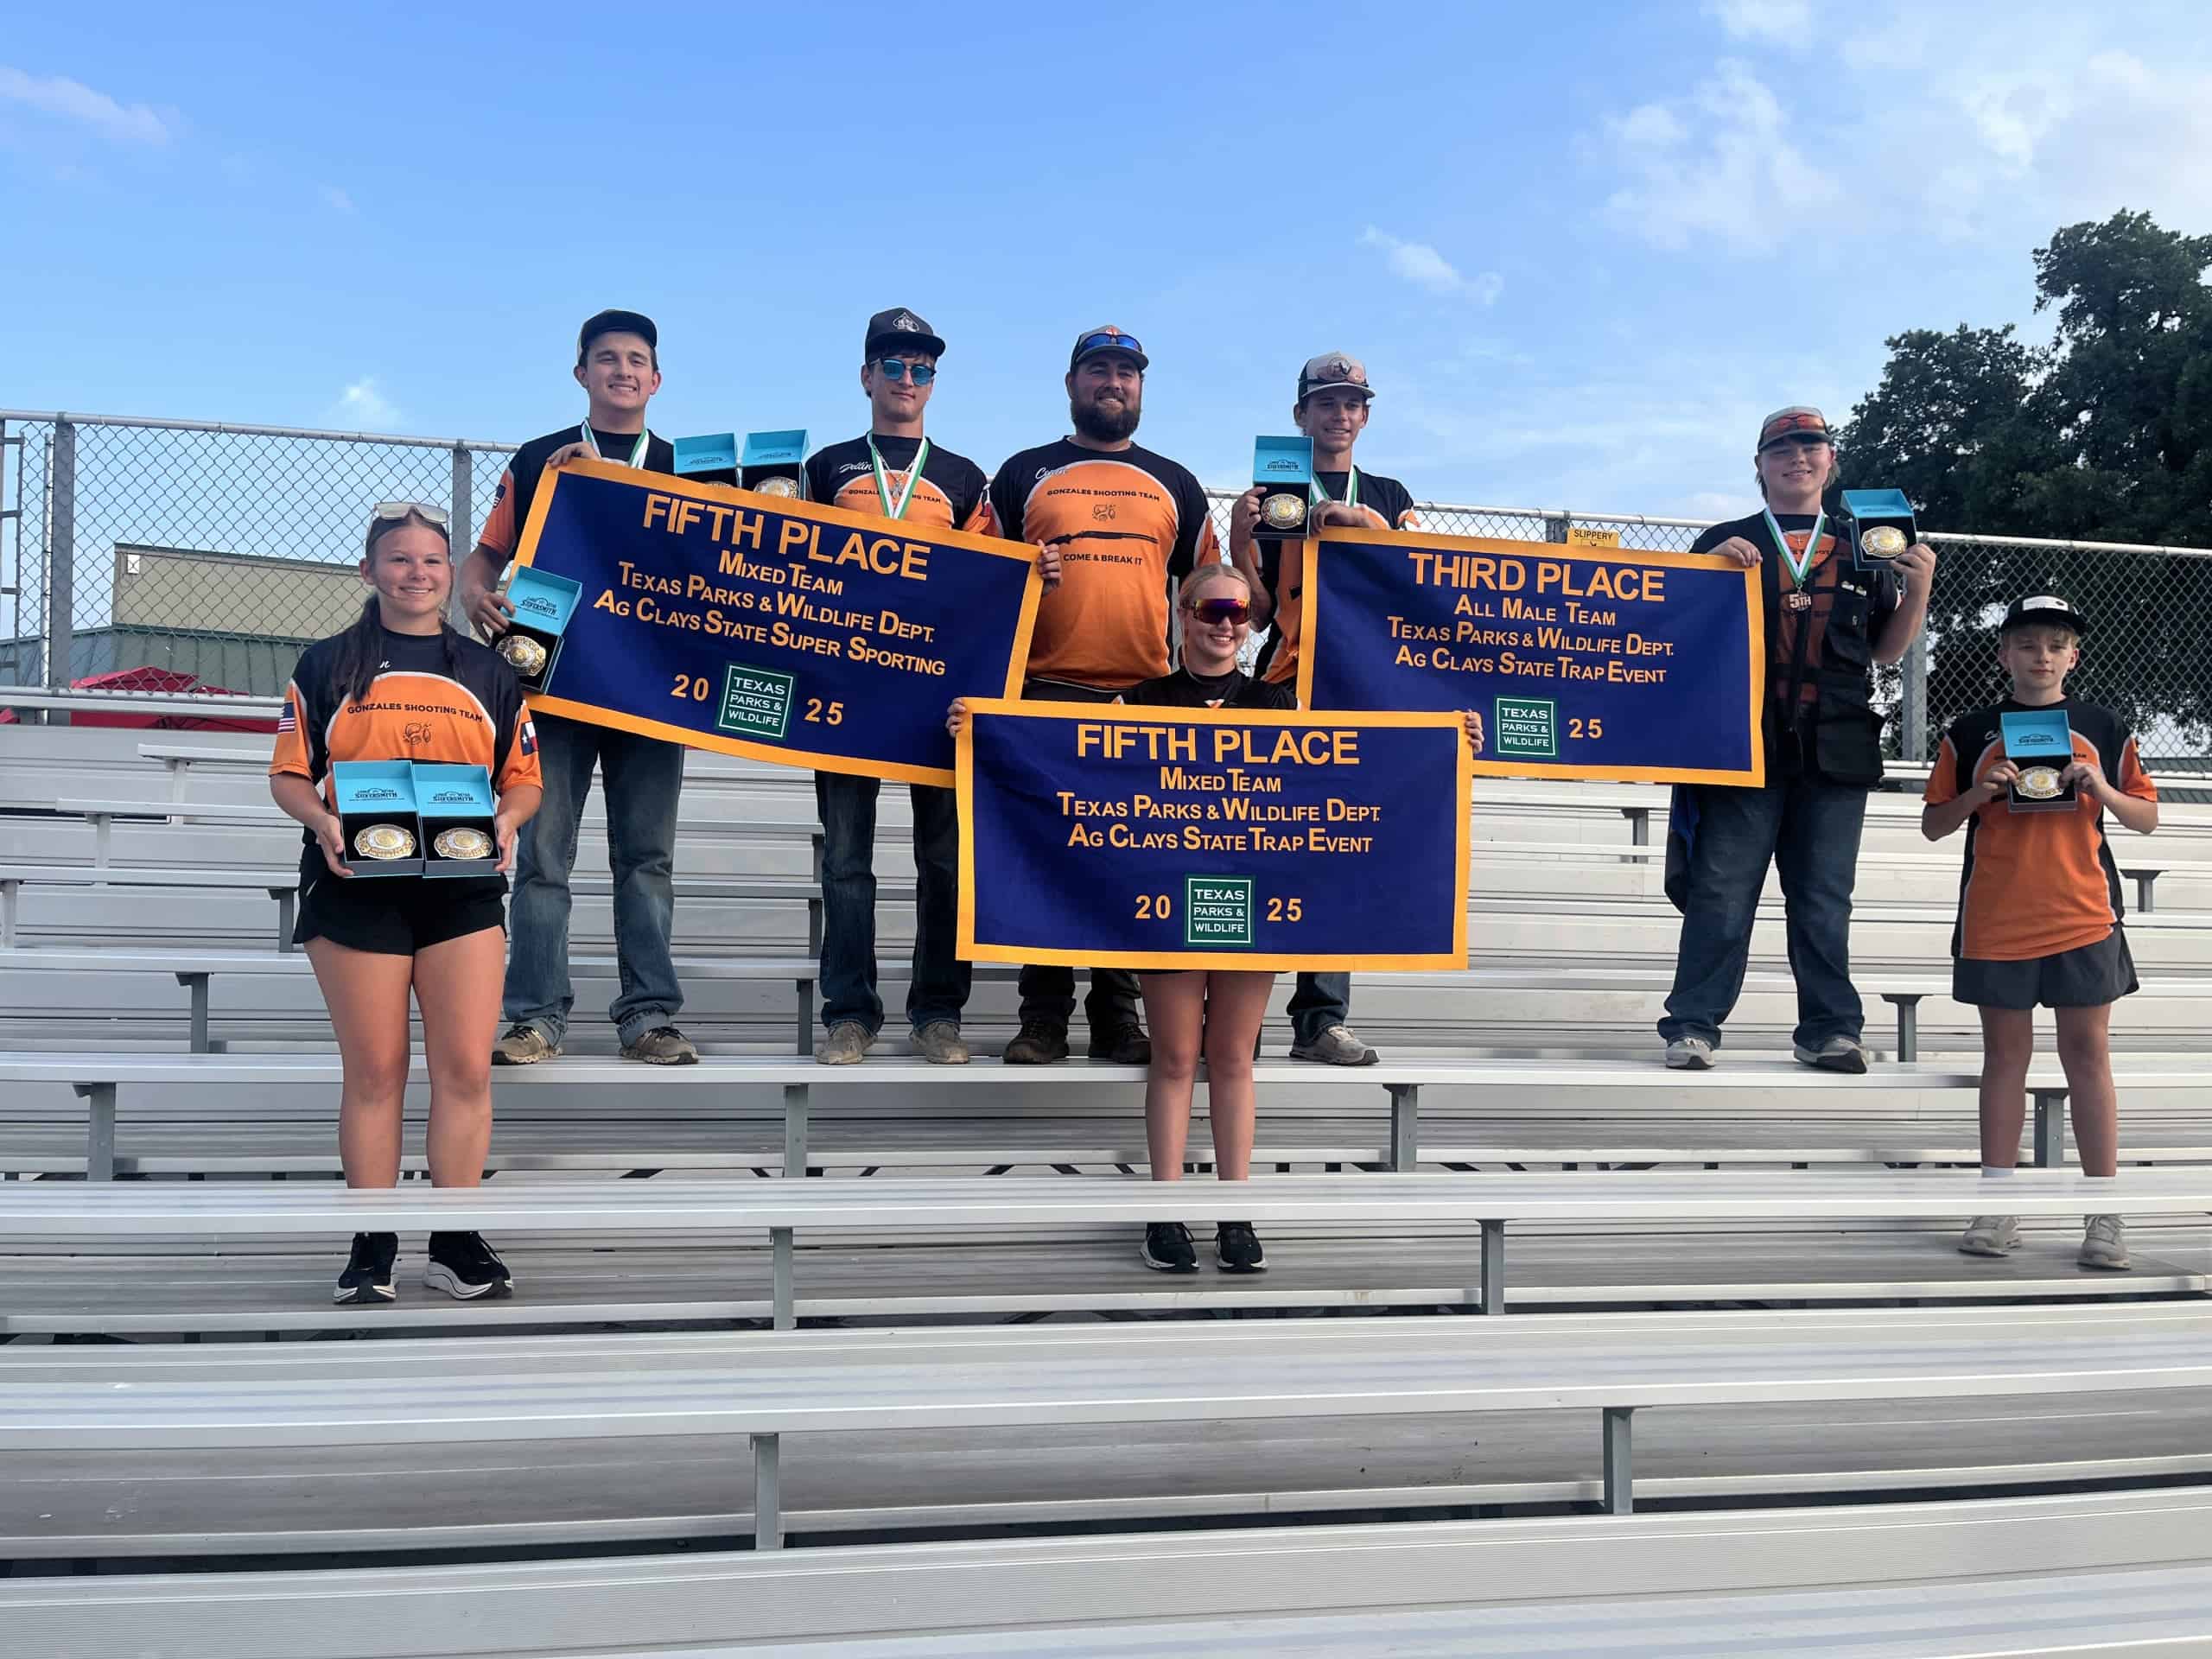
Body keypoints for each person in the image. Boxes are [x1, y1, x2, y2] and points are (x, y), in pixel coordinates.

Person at [950, 563, 1483, 1274]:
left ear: (1251, 622)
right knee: (1174, 1058)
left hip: (1253, 904)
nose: (1225, 624)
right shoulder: (1137, 700)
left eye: (1237, 612)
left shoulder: (1279, 703)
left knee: (1232, 1059)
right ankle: (1162, 1212)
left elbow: (1360, 766)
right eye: (1210, 609)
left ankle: (1237, 1211)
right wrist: (976, 728)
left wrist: (1449, 738)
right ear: (1183, 610)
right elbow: (1057, 763)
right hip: (1165, 904)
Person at [270, 502, 543, 1305]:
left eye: (431, 559)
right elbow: (288, 775)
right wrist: (322, 821)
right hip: (357, 888)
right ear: (369, 572)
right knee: (376, 1071)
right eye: (398, 559)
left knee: (463, 1070)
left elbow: (523, 780)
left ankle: (455, 1239)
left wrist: (506, 820)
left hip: (460, 888)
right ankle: (374, 1239)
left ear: (449, 572)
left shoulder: (489, 669)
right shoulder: (325, 665)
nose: (416, 573)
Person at [1658, 406, 1936, 1073]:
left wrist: (1918, 591)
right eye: (1781, 449)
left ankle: (1829, 1029)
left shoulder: (1867, 544)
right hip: (1741, 746)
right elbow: (1675, 631)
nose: (1797, 457)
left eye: (1811, 446)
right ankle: (1692, 1026)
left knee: (1823, 897)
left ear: (1831, 461)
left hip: (1835, 748)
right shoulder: (1723, 540)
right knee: (1721, 891)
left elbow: (1883, 652)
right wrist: (1710, 570)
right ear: (1759, 467)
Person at [458, 308, 696, 1067]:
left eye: (636, 359)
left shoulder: (690, 468)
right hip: (554, 687)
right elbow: (484, 559)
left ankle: (649, 1015)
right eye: (606, 358)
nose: (622, 370)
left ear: (656, 379)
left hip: (653, 691)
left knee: (647, 859)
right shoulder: (538, 461)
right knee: (542, 858)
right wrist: (472, 595)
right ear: (581, 373)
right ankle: (534, 1018)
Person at [988, 326, 1223, 1066]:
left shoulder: (1176, 483)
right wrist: (1021, 569)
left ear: (1142, 389)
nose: (1113, 383)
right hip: (1045, 691)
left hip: (1146, 699)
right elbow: (980, 582)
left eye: (1127, 372)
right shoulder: (1024, 472)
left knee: (1130, 860)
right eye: (1099, 371)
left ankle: (1118, 1016)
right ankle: (1043, 1017)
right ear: (1071, 384)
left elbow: (1214, 592)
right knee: (1050, 858)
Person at [1923, 595, 2158, 1270]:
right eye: (2027, 644)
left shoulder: (2103, 727)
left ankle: (2104, 1213)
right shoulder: (1970, 731)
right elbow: (1935, 824)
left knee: (2089, 1059)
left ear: (2073, 657)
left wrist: (2099, 790)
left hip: (2083, 915)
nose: (2042, 656)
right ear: (2004, 655)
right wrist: (1981, 793)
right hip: (1997, 917)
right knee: (2006, 1060)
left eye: (2055, 645)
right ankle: (1996, 1202)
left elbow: (2146, 819)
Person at [802, 308, 995, 1066]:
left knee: (943, 860)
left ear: (933, 383)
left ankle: (937, 1014)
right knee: (846, 860)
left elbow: (991, 585)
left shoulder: (962, 478)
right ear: (866, 377)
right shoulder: (826, 467)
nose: (908, 380)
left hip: (933, 696)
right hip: (844, 690)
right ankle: (849, 1014)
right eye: (894, 366)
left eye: (922, 369)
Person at [1229, 351, 1420, 1068]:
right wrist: (1245, 545)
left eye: (1353, 403)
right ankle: (1238, 1013)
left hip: (1360, 683)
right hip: (1283, 678)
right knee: (1263, 842)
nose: (1340, 414)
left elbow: (1414, 588)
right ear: (1300, 413)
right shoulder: (1270, 485)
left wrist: (1365, 522)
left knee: (1334, 846)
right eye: (1327, 402)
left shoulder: (1390, 491)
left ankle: (1320, 1018)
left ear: (1365, 416)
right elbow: (1247, 615)